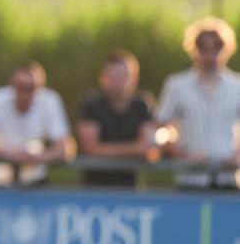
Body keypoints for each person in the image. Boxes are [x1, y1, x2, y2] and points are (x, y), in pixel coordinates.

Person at [157, 17, 240, 189]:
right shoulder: (177, 85)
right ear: (194, 49)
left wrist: (236, 156)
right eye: (203, 47)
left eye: (216, 47)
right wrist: (179, 152)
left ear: (226, 49)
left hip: (228, 177)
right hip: (190, 178)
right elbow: (160, 126)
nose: (210, 54)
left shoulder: (236, 86)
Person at [0, 62, 73, 186]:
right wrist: (9, 154)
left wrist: (38, 158)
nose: (25, 94)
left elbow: (66, 148)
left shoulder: (50, 101)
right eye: (21, 87)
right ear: (12, 85)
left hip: (35, 182)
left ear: (41, 87)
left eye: (31, 88)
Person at [76, 49, 156, 187]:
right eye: (113, 77)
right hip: (93, 188)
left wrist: (105, 150)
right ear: (102, 78)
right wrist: (134, 149)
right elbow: (90, 148)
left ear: (134, 78)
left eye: (123, 76)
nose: (118, 82)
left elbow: (148, 150)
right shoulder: (91, 104)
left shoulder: (143, 104)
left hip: (131, 188)